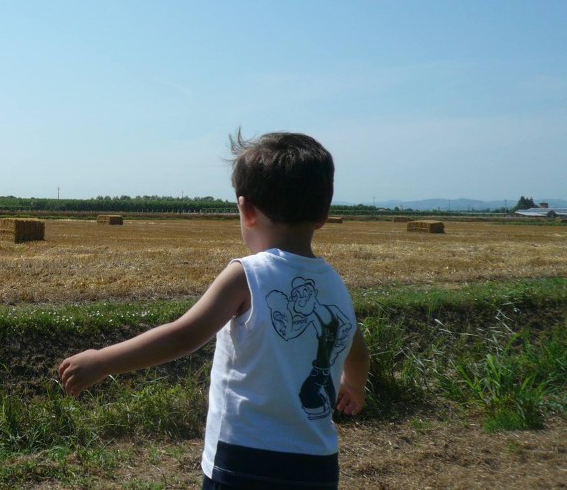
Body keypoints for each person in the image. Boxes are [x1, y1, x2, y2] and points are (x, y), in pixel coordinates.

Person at [59, 131, 369, 489]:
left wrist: (102, 361)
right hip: (317, 464)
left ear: (246, 210)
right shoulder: (333, 284)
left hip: (245, 458)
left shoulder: (247, 275)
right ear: (324, 215)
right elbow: (357, 352)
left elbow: (183, 336)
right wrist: (353, 388)